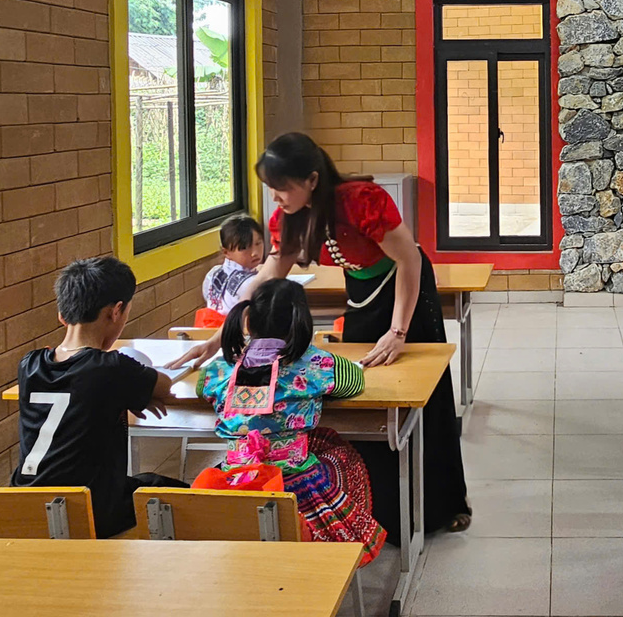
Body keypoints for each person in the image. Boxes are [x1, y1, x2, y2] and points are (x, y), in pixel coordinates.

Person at [168, 132, 469, 539]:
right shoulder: (289, 217)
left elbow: (409, 259)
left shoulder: (361, 200)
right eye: (270, 188)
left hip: (405, 289)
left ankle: (444, 506)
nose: (275, 197)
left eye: (281, 187)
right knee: (369, 393)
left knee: (423, 390)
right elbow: (266, 278)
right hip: (362, 292)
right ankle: (383, 513)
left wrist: (398, 331)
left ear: (311, 180)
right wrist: (218, 336)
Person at [198, 277, 385, 563]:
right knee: (344, 458)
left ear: (248, 323)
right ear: (301, 321)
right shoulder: (316, 364)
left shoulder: (220, 367)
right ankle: (331, 545)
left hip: (235, 485)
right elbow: (354, 382)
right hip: (298, 491)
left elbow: (202, 388)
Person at [11, 257, 186, 537]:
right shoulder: (112, 368)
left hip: (25, 504)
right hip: (91, 509)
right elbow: (163, 386)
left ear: (62, 315)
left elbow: (79, 393)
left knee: (146, 482)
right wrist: (134, 391)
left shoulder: (29, 364)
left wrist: (124, 394)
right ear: (116, 311)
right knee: (186, 497)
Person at [197, 213, 265, 326]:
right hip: (236, 334)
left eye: (258, 243)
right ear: (226, 252)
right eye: (244, 248)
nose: (255, 252)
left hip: (206, 332)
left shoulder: (213, 273)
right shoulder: (251, 282)